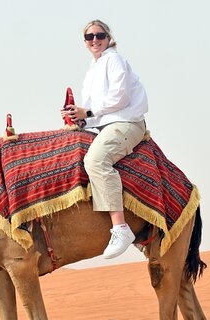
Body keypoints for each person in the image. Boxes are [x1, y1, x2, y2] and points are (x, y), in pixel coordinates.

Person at [62, 19, 148, 259]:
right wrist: (78, 117)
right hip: (106, 125)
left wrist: (86, 113)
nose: (95, 40)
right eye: (89, 37)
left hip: (126, 123)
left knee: (95, 161)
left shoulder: (114, 60)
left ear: (108, 37)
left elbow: (120, 98)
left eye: (99, 35)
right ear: (85, 42)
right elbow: (94, 112)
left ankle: (120, 227)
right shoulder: (92, 70)